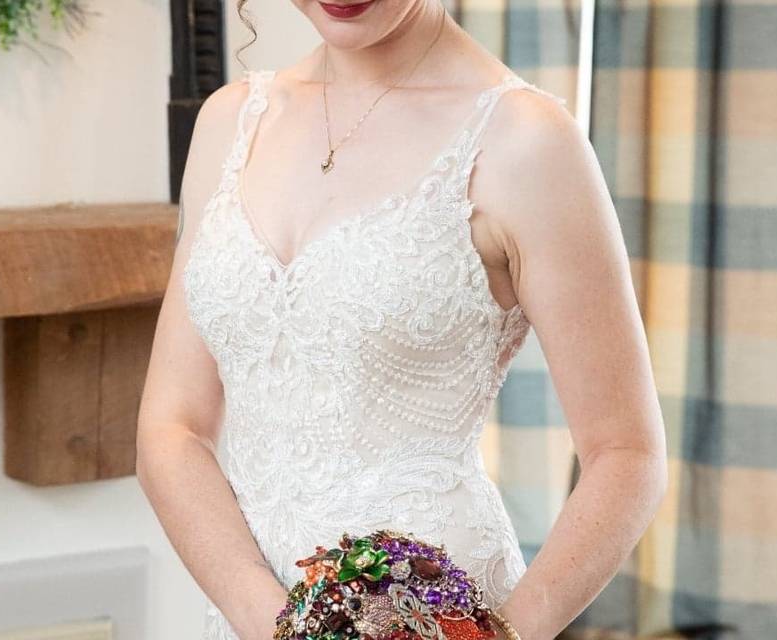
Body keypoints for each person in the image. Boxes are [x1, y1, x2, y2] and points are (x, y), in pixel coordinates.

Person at [136, 1, 668, 639]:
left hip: (435, 620)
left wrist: (497, 635)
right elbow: (172, 428)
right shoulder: (231, 120)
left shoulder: (524, 138)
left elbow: (627, 454)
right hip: (252, 618)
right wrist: (277, 623)